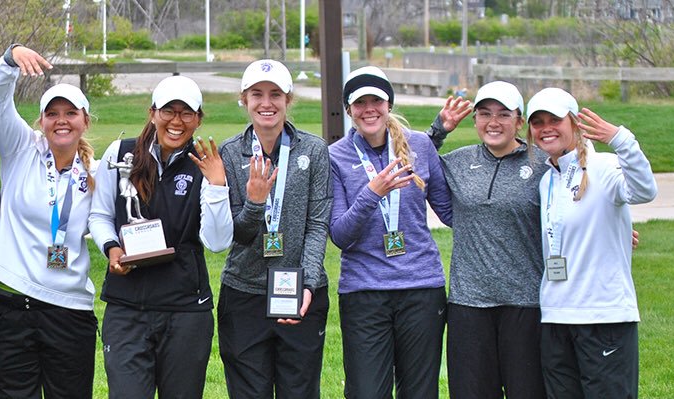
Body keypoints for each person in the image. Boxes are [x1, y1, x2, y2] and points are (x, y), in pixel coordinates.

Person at [88, 76, 233, 398]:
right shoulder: (121, 153)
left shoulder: (206, 165)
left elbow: (218, 242)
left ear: (198, 119)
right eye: (168, 111)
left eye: (186, 113)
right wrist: (111, 248)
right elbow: (99, 215)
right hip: (127, 306)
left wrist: (218, 187)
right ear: (152, 112)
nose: (176, 121)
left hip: (184, 309)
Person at [328, 66, 453, 398]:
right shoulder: (337, 156)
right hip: (364, 291)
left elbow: (450, 211)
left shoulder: (420, 146)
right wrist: (372, 193)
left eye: (377, 101)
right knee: (367, 392)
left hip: (421, 288)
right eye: (360, 103)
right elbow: (340, 234)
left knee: (420, 392)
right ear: (350, 110)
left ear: (389, 104)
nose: (369, 109)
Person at [0, 44, 98, 398]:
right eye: (52, 113)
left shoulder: (96, 173)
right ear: (42, 121)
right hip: (12, 308)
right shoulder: (21, 149)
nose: (61, 120)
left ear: (85, 120)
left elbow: (110, 223)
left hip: (69, 310)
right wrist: (9, 59)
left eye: (70, 113)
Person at [525, 87, 657, 398]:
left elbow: (644, 191)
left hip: (603, 317)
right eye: (537, 122)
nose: (546, 129)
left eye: (554, 120)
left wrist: (621, 139)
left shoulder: (605, 167)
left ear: (574, 123)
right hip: (556, 316)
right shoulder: (547, 179)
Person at [215, 59, 334, 398]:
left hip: (300, 294)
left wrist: (309, 284)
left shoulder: (313, 150)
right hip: (244, 292)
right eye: (257, 94)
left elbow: (317, 223)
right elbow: (235, 233)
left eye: (275, 95)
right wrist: (255, 204)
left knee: (299, 391)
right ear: (244, 99)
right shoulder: (229, 152)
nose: (266, 104)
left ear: (288, 99)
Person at [432, 82, 550, 399]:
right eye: (485, 114)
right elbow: (413, 157)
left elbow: (580, 192)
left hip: (525, 301)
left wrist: (615, 231)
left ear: (519, 121)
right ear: (474, 120)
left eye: (503, 114)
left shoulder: (542, 165)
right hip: (468, 303)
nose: (493, 123)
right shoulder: (458, 162)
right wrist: (439, 129)